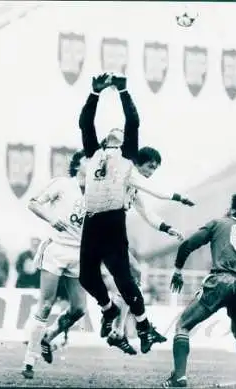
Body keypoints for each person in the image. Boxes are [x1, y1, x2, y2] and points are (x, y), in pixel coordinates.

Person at [78, 73, 194, 354]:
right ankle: (108, 310)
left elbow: (133, 122)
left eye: (120, 135)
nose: (117, 134)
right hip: (91, 221)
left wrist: (123, 90)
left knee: (125, 279)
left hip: (113, 221)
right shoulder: (93, 153)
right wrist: (94, 94)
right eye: (113, 134)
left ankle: (142, 326)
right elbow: (85, 123)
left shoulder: (128, 158)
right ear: (107, 140)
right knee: (86, 277)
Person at [162, 193, 236, 389]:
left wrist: (177, 270)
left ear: (233, 209)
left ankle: (179, 378)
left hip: (221, 281)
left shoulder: (219, 223)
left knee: (182, 325)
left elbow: (187, 245)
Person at [21, 150, 88, 379]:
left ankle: (49, 337)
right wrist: (52, 218)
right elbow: (33, 203)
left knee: (79, 309)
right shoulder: (62, 184)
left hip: (80, 254)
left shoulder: (99, 194)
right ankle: (29, 359)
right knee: (46, 304)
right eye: (90, 160)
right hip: (57, 249)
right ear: (78, 164)